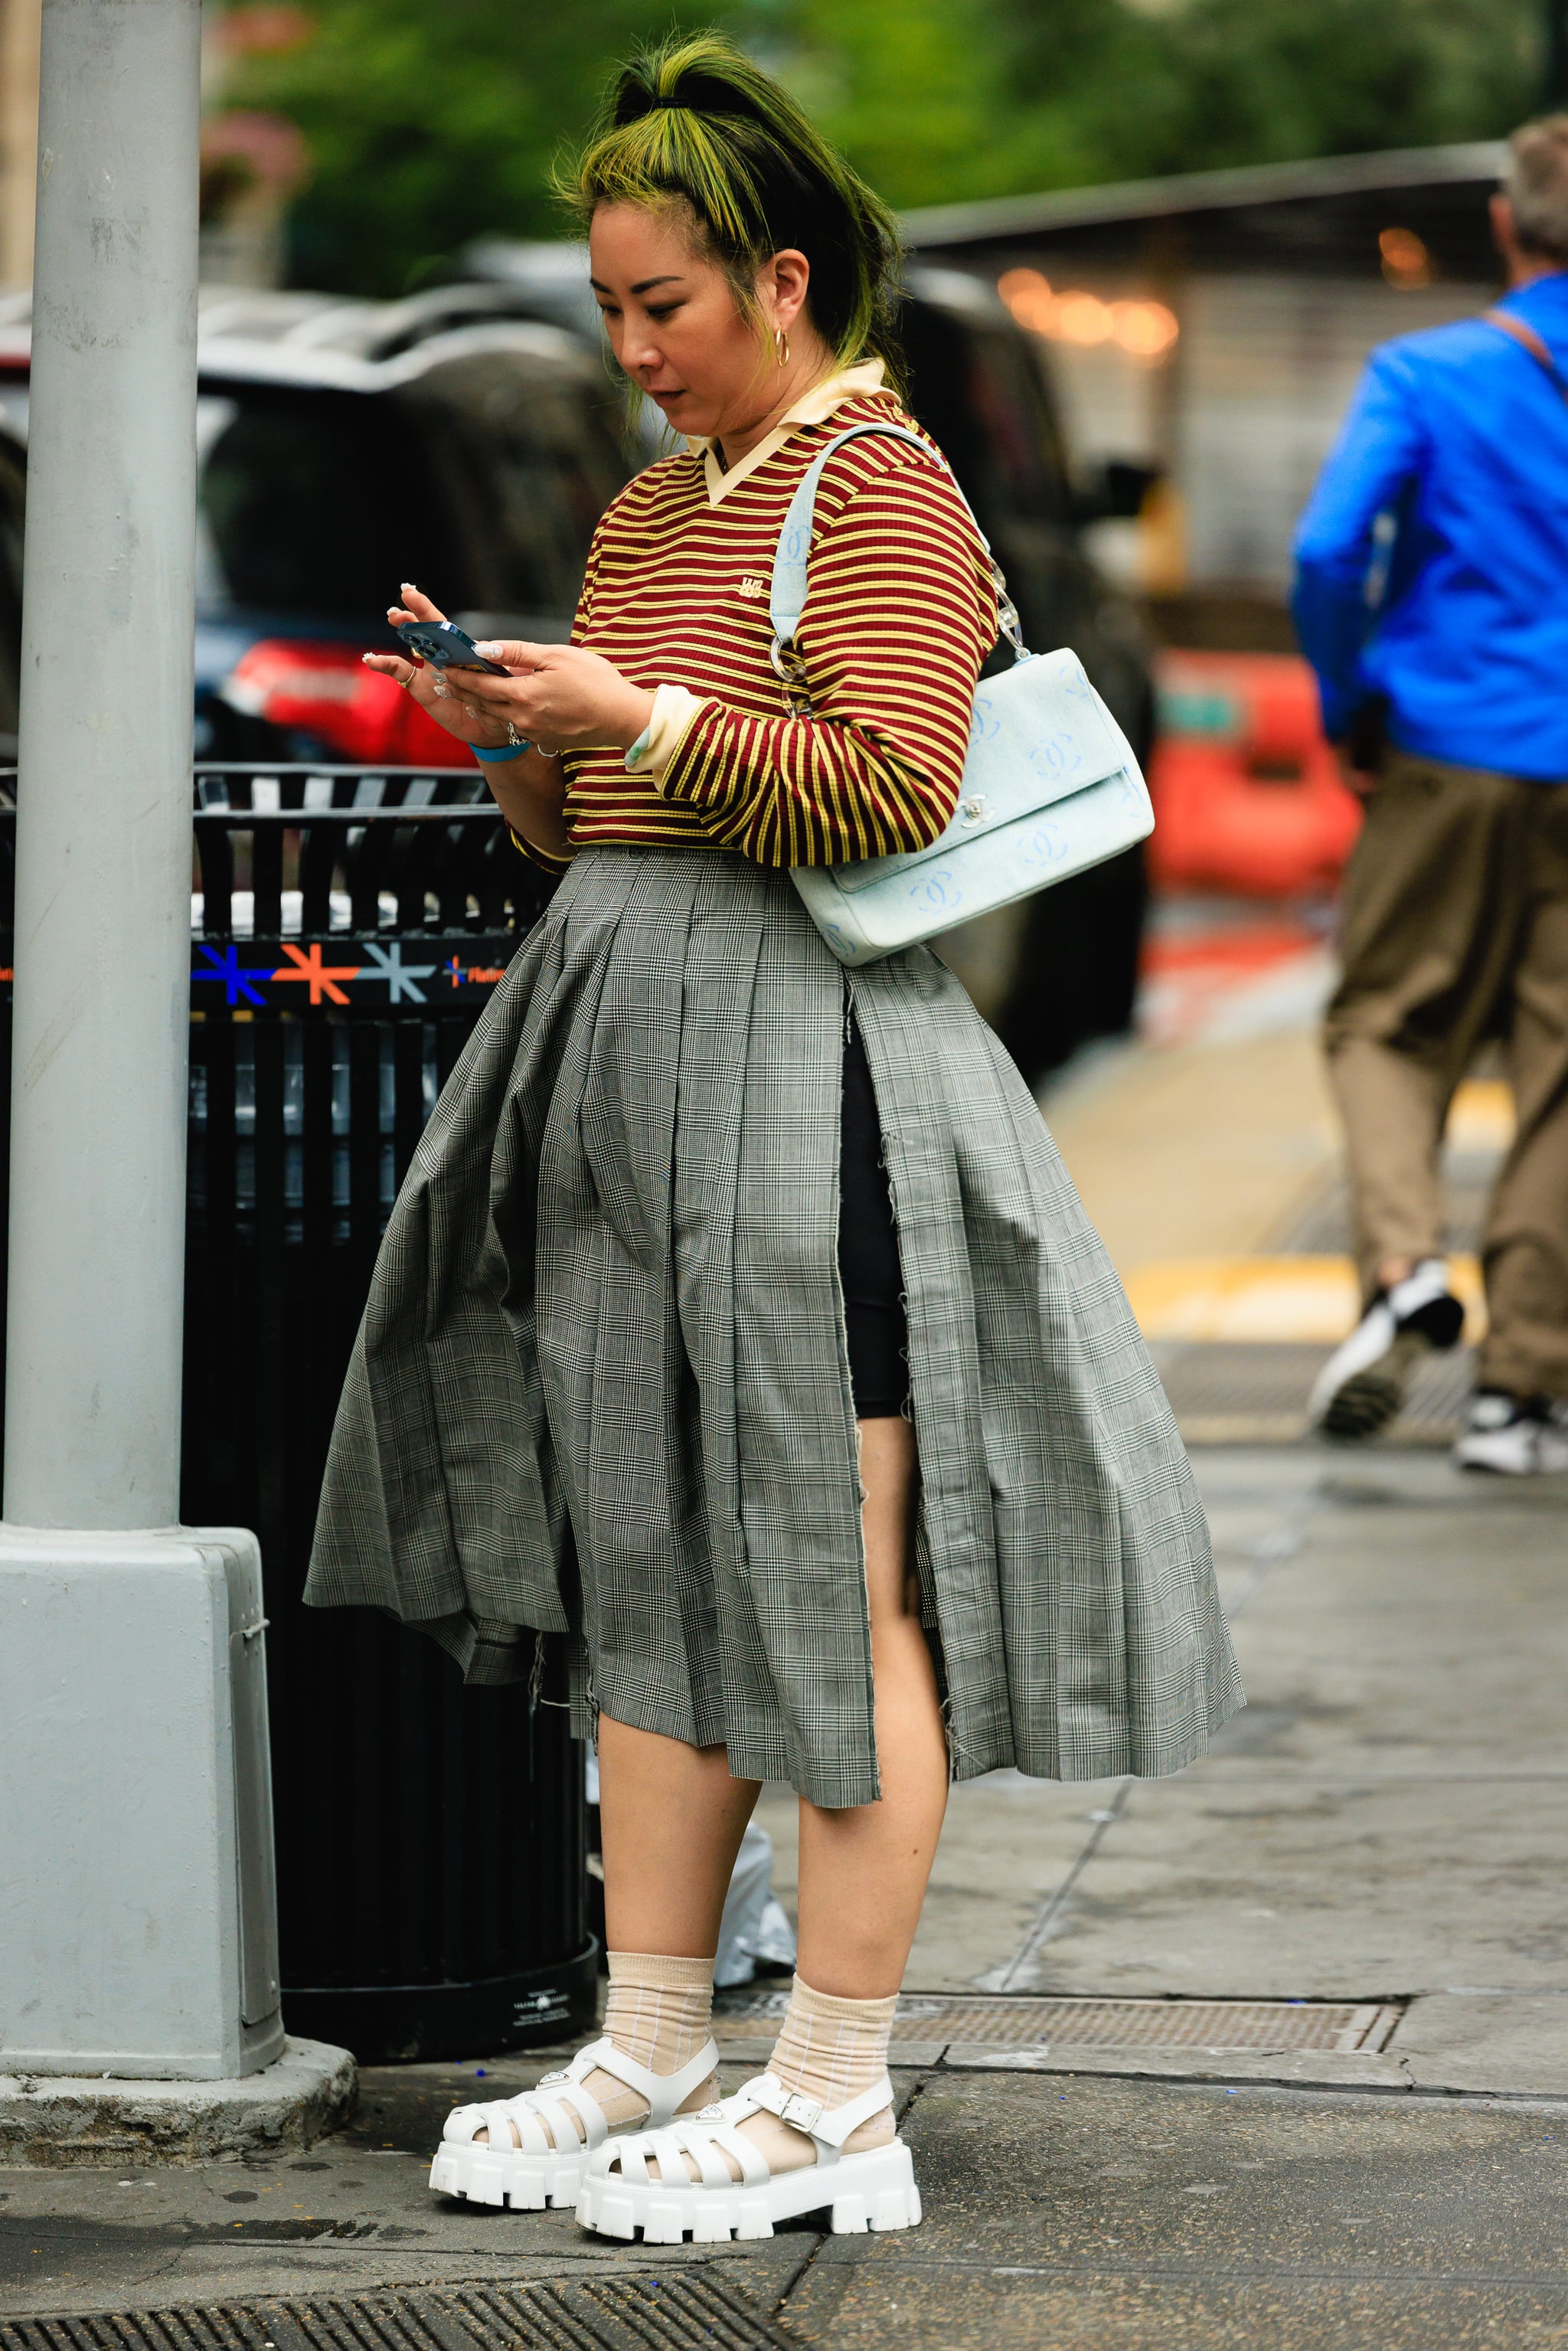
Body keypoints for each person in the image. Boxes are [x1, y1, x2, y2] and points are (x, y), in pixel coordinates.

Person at [306, 34, 1240, 2244]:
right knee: (647, 1541)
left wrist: (634, 709)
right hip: (621, 1044)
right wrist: (522, 738)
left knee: (835, 1564)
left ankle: (835, 2091)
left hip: (807, 1057)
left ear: (784, 275)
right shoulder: (654, 510)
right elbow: (592, 819)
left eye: (666, 308)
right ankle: (652, 2036)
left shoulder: (885, 482)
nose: (632, 355)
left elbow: (894, 796)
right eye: (613, 309)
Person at [1293, 118, 1568, 1476]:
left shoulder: (1432, 371)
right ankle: (1519, 1397)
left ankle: (1405, 1269)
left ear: (1511, 230)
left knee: (1388, 1024)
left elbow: (1333, 545)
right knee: (1564, 1074)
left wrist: (1351, 704)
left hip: (1451, 745)